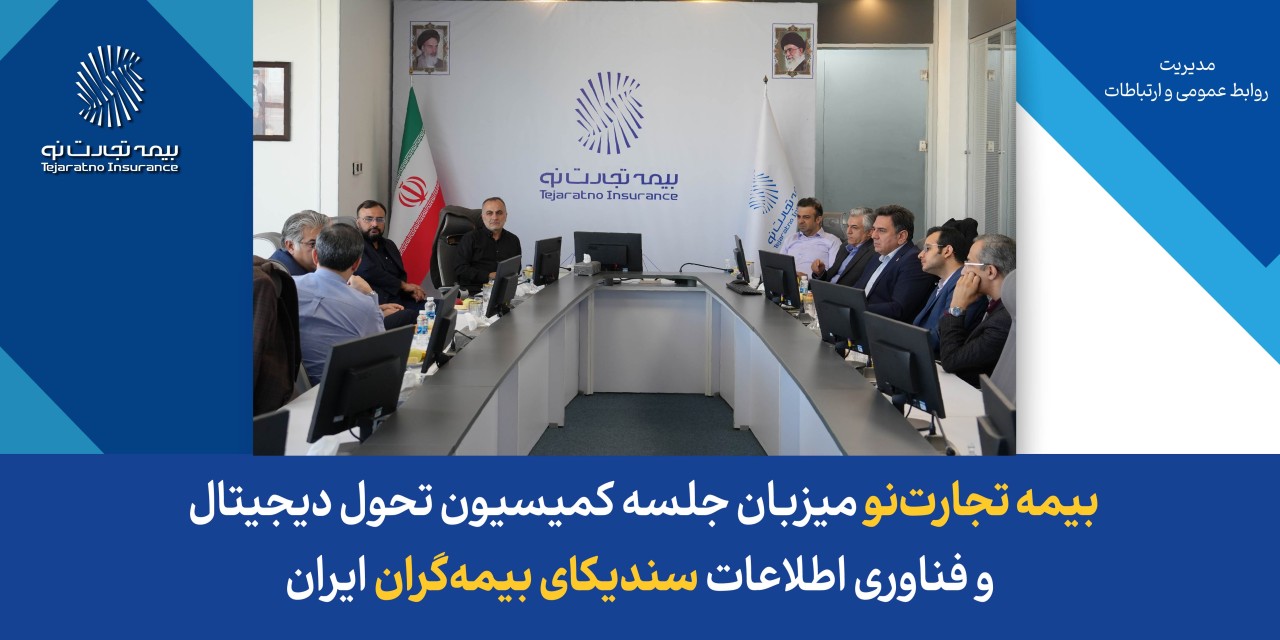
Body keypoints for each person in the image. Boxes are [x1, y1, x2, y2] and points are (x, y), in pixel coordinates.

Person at [295, 224, 389, 386]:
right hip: (341, 390)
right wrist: (371, 295)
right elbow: (381, 356)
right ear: (357, 264)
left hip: (295, 390)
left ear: (315, 256)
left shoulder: (288, 285)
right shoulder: (364, 305)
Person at [938, 234, 1016, 388]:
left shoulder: (1004, 320)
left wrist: (956, 308)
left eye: (968, 263)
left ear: (990, 271)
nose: (962, 272)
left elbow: (951, 361)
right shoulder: (997, 306)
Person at [852, 204, 937, 322]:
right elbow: (857, 289)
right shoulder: (877, 255)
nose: (874, 236)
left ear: (901, 236)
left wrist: (856, 309)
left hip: (880, 327)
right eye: (874, 229)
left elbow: (898, 309)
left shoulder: (913, 261)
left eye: (881, 230)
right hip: (858, 320)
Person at [912, 224, 986, 356]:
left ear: (947, 251)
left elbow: (941, 337)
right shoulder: (943, 282)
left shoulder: (965, 285)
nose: (920, 255)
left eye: (927, 248)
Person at [352, 199, 426, 328]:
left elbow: (400, 274)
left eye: (380, 219)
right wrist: (403, 286)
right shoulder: (354, 245)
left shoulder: (389, 245)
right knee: (415, 317)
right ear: (358, 223)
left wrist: (410, 291)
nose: (375, 224)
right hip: (378, 306)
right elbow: (368, 271)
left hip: (400, 300)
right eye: (368, 219)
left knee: (438, 308)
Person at [455, 196, 522, 295]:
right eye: (489, 213)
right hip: (476, 294)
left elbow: (516, 269)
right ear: (482, 217)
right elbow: (460, 269)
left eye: (499, 213)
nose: (494, 217)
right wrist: (488, 276)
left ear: (506, 216)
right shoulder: (470, 238)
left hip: (504, 291)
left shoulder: (513, 240)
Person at [811, 207, 876, 287]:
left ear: (869, 232)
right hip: (826, 290)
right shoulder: (844, 246)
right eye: (848, 226)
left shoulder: (874, 253)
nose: (848, 231)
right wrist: (820, 273)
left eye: (854, 227)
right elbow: (830, 278)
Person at [782, 197, 839, 275]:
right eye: (798, 216)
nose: (800, 221)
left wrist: (806, 278)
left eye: (806, 217)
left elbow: (834, 275)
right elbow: (779, 268)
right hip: (788, 282)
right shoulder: (790, 239)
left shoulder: (832, 241)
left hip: (813, 282)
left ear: (818, 220)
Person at [269, 210, 328, 276]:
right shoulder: (279, 278)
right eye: (313, 244)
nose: (324, 250)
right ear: (291, 246)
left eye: (326, 242)